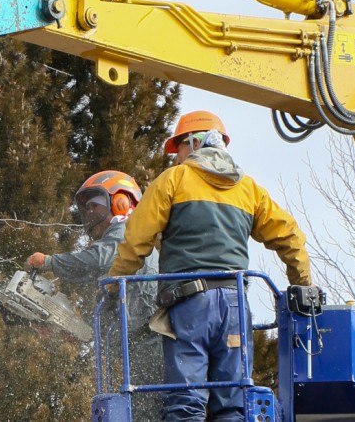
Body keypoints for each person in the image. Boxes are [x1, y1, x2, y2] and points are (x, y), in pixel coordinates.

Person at [108, 110, 313, 421]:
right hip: (235, 310)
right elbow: (290, 236)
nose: (177, 157)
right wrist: (303, 284)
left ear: (194, 141)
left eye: (179, 148)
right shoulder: (248, 189)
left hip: (190, 306)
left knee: (185, 403)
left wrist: (114, 285)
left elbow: (136, 240)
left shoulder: (174, 180)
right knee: (232, 405)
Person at [25, 170, 162, 420]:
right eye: (86, 209)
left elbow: (99, 260)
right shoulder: (121, 241)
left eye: (95, 206)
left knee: (149, 411)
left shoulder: (126, 231)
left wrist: (49, 262)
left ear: (122, 202)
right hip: (140, 341)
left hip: (150, 340)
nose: (89, 214)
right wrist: (73, 332)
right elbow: (110, 306)